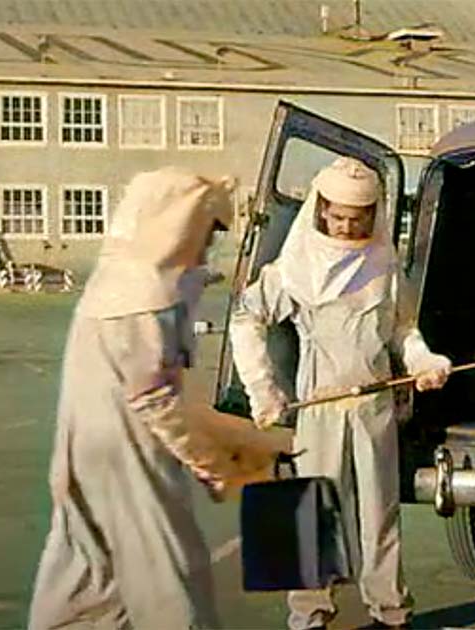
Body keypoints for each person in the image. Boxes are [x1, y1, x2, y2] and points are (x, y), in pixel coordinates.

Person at [29, 167, 289, 629]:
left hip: (83, 452)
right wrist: (214, 462)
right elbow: (155, 399)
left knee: (87, 578)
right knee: (168, 581)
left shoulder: (113, 279)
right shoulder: (149, 295)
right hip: (131, 459)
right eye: (207, 232)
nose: (208, 244)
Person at [229, 156, 452, 630]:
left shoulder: (386, 267)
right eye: (339, 218)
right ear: (321, 211)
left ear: (374, 215)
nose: (348, 227)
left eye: (358, 219)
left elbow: (403, 330)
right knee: (310, 510)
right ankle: (309, 616)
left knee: (381, 517)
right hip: (319, 407)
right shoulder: (293, 268)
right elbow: (247, 319)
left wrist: (424, 363)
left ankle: (391, 615)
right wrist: (262, 391)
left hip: (375, 406)